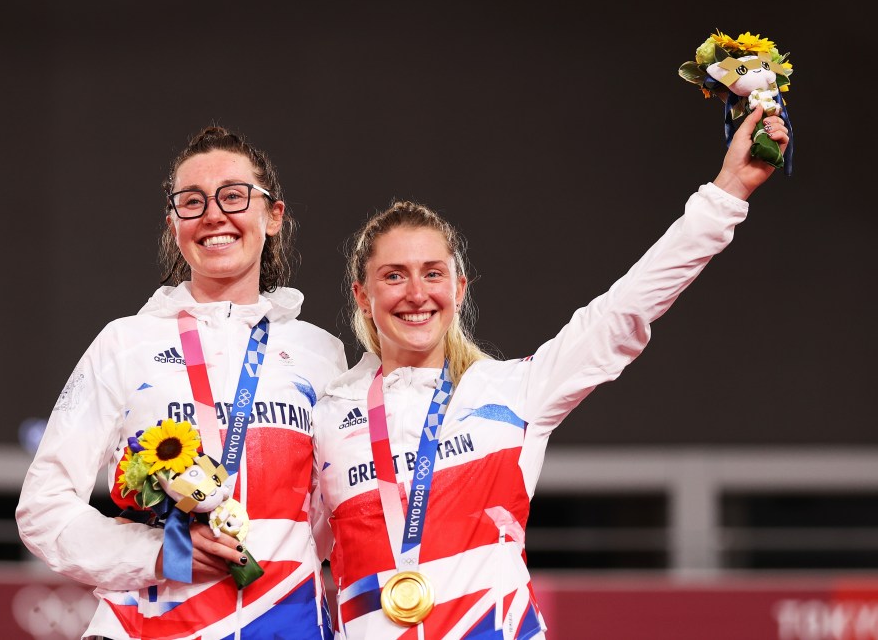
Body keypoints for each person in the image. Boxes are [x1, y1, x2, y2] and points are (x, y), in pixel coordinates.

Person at [313, 105, 789, 639]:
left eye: (433, 274)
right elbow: (286, 547)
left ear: (460, 288)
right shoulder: (329, 416)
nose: (416, 294)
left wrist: (726, 193)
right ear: (363, 295)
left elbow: (623, 311)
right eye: (393, 276)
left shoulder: (514, 391)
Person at [16, 126, 347, 640]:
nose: (214, 214)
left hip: (284, 623)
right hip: (147, 625)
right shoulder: (125, 343)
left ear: (273, 216)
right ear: (174, 224)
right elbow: (42, 508)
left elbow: (331, 517)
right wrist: (162, 553)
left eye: (234, 196)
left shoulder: (320, 355)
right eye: (192, 202)